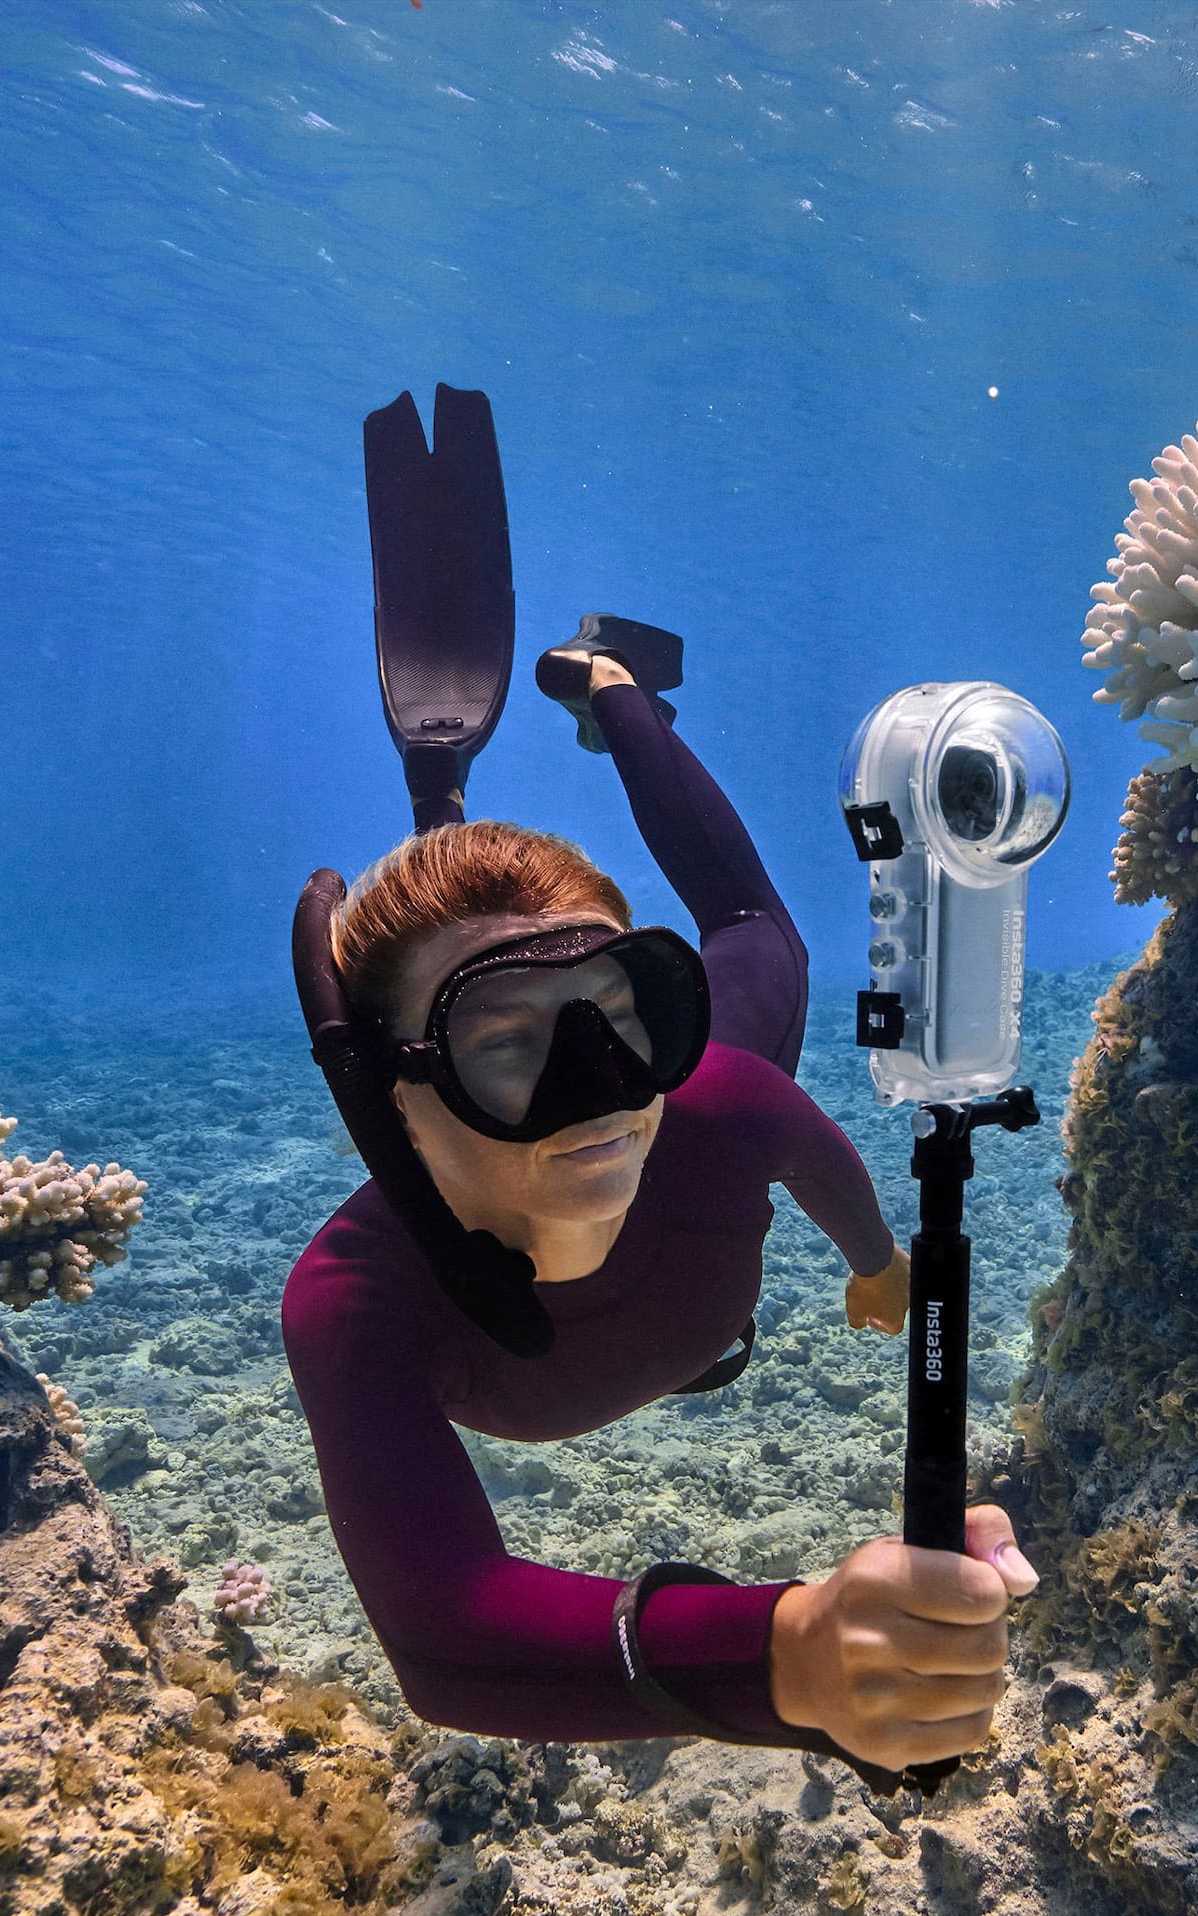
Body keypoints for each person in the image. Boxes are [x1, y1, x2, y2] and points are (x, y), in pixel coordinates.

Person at [283, 605, 1037, 1777]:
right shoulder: (353, 1299)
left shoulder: (715, 1097)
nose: (600, 1090)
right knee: (746, 927)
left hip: (711, 1089)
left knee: (754, 934)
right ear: (391, 1098)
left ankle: (613, 689)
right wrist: (784, 1652)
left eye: (624, 1009)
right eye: (502, 1040)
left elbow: (823, 1161)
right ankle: (462, 814)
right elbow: (442, 1638)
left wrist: (879, 1267)